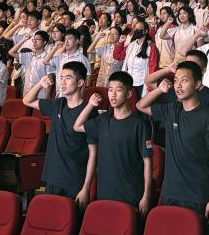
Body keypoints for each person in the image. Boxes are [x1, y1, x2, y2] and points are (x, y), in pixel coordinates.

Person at [136, 61, 209, 220]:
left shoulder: (208, 117)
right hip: (169, 192)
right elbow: (141, 105)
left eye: (184, 80)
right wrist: (160, 90)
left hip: (197, 196)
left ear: (197, 84)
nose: (178, 85)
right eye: (176, 80)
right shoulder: (171, 109)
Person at [72, 71, 153, 213]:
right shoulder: (103, 120)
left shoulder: (140, 123)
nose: (113, 94)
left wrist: (146, 195)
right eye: (110, 90)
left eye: (118, 90)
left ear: (128, 94)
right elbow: (77, 126)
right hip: (105, 192)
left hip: (131, 194)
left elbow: (147, 161)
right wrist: (90, 105)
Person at [24, 61, 95, 203]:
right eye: (61, 77)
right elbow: (27, 101)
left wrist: (86, 187)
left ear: (80, 82)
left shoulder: (89, 110)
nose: (62, 82)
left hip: (75, 180)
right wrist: (40, 84)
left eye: (68, 78)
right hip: (53, 176)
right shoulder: (57, 103)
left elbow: (93, 152)